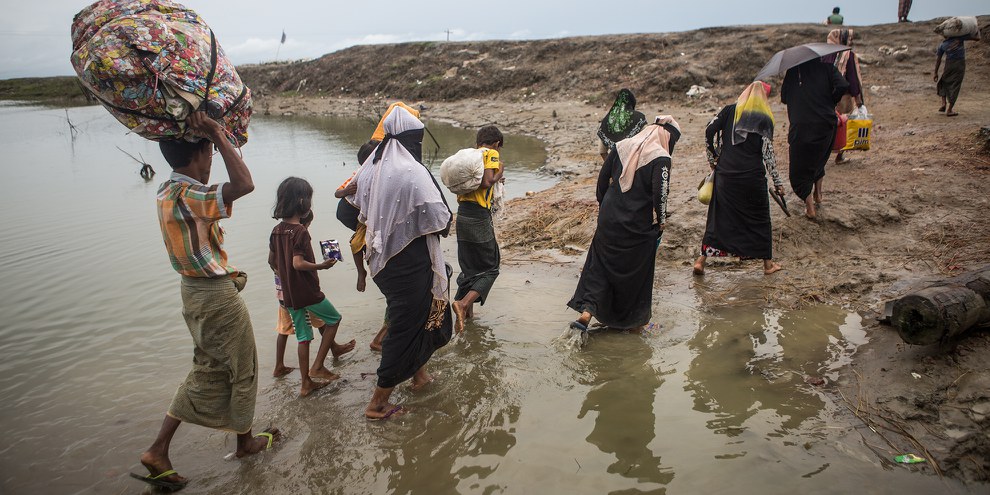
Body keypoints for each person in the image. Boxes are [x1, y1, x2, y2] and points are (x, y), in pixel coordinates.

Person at [132, 111, 278, 492]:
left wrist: (212, 138)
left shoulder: (166, 190)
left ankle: (158, 450)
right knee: (242, 369)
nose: (213, 160)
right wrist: (216, 131)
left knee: (207, 368)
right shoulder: (191, 195)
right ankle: (245, 443)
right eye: (210, 153)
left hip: (192, 292)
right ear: (199, 155)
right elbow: (244, 183)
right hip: (215, 298)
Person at [352, 105, 453, 419]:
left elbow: (349, 210)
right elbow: (442, 220)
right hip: (409, 264)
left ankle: (419, 376)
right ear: (413, 139)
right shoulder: (411, 170)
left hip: (381, 261)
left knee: (416, 320)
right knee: (405, 328)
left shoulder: (370, 166)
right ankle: (377, 403)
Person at [567, 116, 681, 333]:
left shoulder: (621, 146)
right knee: (635, 270)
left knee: (601, 265)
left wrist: (605, 207)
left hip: (609, 217)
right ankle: (636, 324)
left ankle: (587, 313)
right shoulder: (661, 158)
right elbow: (660, 193)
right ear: (668, 137)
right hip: (635, 223)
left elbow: (602, 180)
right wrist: (662, 220)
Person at [269, 177, 355, 397]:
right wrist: (322, 266)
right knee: (334, 319)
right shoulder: (300, 231)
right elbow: (298, 264)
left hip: (289, 294)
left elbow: (272, 262)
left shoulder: (277, 230)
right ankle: (317, 365)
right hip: (307, 291)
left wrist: (284, 276)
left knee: (303, 336)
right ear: (301, 201)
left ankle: (306, 383)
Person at [693, 82, 785, 276]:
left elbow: (709, 130)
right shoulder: (764, 117)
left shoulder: (729, 110)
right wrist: (777, 182)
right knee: (760, 220)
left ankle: (701, 262)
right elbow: (768, 154)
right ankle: (768, 265)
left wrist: (713, 158)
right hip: (752, 179)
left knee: (718, 219)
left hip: (726, 175)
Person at [451, 125, 505, 333]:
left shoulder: (471, 156)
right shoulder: (490, 154)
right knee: (491, 268)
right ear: (497, 144)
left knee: (469, 268)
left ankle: (467, 315)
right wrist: (500, 170)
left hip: (462, 215)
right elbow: (487, 182)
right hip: (478, 217)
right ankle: (463, 304)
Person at [338, 140, 390, 352]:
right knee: (357, 244)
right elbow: (338, 192)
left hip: (361, 220)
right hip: (360, 221)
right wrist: (347, 190)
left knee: (357, 244)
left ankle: (362, 273)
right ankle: (380, 339)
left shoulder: (375, 175)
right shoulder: (361, 176)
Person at [781, 58, 849, 219]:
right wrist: (830, 100)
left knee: (799, 169)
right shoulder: (827, 68)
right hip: (826, 123)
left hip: (801, 127)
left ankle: (810, 208)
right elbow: (843, 86)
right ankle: (818, 195)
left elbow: (784, 97)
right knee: (818, 160)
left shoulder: (793, 71)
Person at [824, 29, 865, 163]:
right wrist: (857, 97)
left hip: (825, 96)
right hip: (843, 97)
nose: (851, 41)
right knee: (843, 124)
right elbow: (852, 77)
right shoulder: (848, 55)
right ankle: (840, 154)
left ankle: (825, 152)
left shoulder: (824, 54)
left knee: (828, 124)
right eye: (849, 38)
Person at [597, 88, 648, 162]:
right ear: (632, 102)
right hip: (635, 162)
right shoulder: (639, 118)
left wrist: (611, 166)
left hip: (617, 165)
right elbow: (648, 140)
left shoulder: (607, 120)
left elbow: (602, 151)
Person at [934, 37, 966, 117]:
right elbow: (976, 38)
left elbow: (938, 60)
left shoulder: (942, 45)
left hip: (949, 64)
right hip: (960, 64)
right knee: (955, 85)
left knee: (943, 81)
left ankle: (943, 103)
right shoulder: (959, 40)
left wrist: (935, 72)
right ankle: (949, 110)